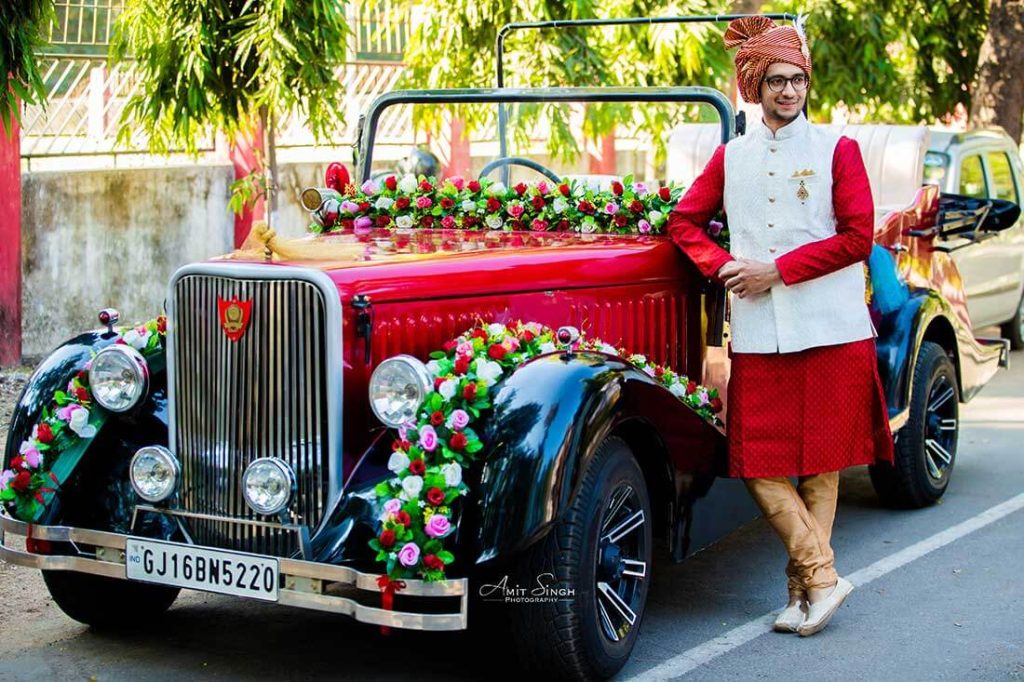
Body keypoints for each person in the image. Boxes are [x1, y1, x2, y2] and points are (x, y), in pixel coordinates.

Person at [666, 15, 894, 637]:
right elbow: (683, 224)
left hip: (833, 328)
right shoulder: (730, 156)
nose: (789, 91)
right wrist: (724, 266)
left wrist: (777, 270)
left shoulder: (836, 149)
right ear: (754, 86)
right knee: (755, 457)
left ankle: (802, 595)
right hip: (762, 332)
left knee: (821, 466)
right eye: (776, 80)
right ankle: (822, 574)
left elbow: (856, 238)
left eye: (797, 80)